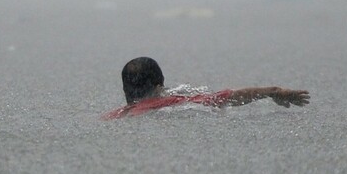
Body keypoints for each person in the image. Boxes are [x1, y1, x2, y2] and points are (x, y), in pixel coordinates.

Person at [101, 57, 309, 119]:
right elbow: (227, 97)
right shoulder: (174, 103)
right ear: (159, 85)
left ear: (125, 89)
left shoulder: (114, 116)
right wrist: (272, 91)